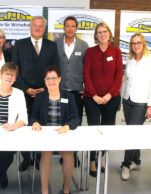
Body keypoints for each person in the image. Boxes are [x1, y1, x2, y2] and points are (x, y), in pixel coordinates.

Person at [12, 16, 59, 171]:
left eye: (40, 26)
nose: (38, 28)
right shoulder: (19, 45)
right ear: (30, 27)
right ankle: (26, 158)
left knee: (42, 125)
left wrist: (45, 89)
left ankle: (39, 158)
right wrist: (26, 88)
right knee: (24, 125)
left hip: (45, 93)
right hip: (23, 93)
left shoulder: (52, 46)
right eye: (35, 25)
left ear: (44, 29)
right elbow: (15, 69)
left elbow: (55, 70)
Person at [30, 65, 79, 194]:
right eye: (48, 79)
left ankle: (66, 188)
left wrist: (67, 126)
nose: (51, 81)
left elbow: (75, 118)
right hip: (46, 134)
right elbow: (33, 115)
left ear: (59, 79)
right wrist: (34, 122)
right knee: (46, 153)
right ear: (44, 81)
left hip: (62, 132)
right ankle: (44, 190)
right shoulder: (40, 97)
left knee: (68, 155)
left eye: (54, 78)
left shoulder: (68, 96)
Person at [83, 22, 123, 177]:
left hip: (111, 99)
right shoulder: (90, 52)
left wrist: (109, 95)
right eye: (99, 32)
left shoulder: (116, 51)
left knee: (105, 131)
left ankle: (100, 158)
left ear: (109, 34)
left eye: (104, 31)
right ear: (96, 35)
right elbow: (86, 74)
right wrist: (94, 95)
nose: (102, 34)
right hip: (91, 98)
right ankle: (92, 160)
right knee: (94, 130)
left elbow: (119, 75)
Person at [120, 33, 151, 180]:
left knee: (131, 134)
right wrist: (120, 99)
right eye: (133, 43)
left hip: (141, 102)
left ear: (143, 44)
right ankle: (136, 161)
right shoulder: (130, 60)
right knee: (134, 132)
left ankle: (125, 164)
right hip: (128, 100)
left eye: (138, 43)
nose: (136, 45)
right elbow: (125, 81)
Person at [55, 16, 89, 167]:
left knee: (76, 122)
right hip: (60, 90)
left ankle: (73, 154)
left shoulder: (84, 45)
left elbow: (87, 69)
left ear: (76, 28)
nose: (69, 28)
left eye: (72, 26)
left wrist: (86, 87)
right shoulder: (55, 44)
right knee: (62, 121)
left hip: (77, 91)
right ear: (64, 28)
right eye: (67, 26)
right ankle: (64, 153)